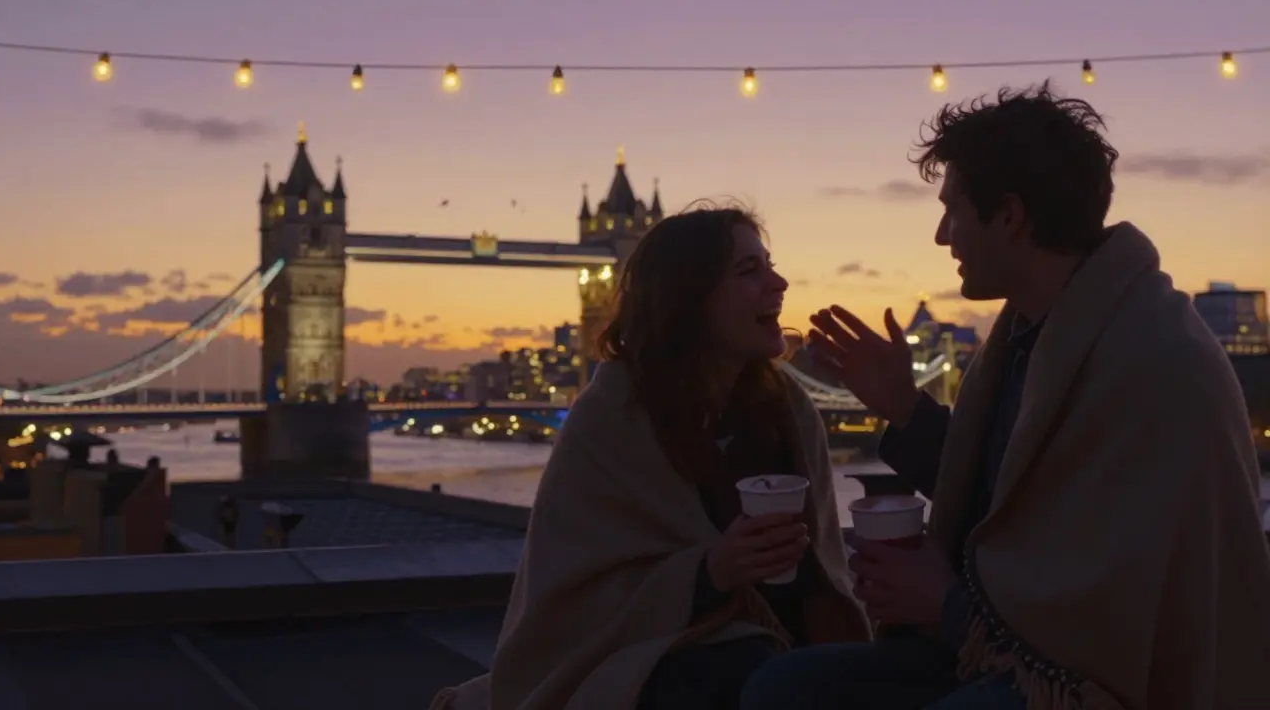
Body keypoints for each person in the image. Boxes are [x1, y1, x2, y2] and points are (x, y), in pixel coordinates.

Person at [741, 82, 1270, 709]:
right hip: (997, 642)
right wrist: (905, 408)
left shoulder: (1155, 365)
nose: (942, 236)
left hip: (1092, 685)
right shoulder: (1035, 335)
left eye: (953, 210)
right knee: (782, 690)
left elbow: (1114, 619)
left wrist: (943, 602)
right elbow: (1020, 505)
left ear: (1011, 217)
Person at [429, 204, 871, 710]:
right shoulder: (612, 418)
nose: (780, 283)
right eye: (751, 271)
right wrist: (711, 571)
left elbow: (826, 572)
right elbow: (577, 602)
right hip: (670, 667)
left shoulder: (788, 407)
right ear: (689, 297)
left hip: (788, 647)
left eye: (770, 265)